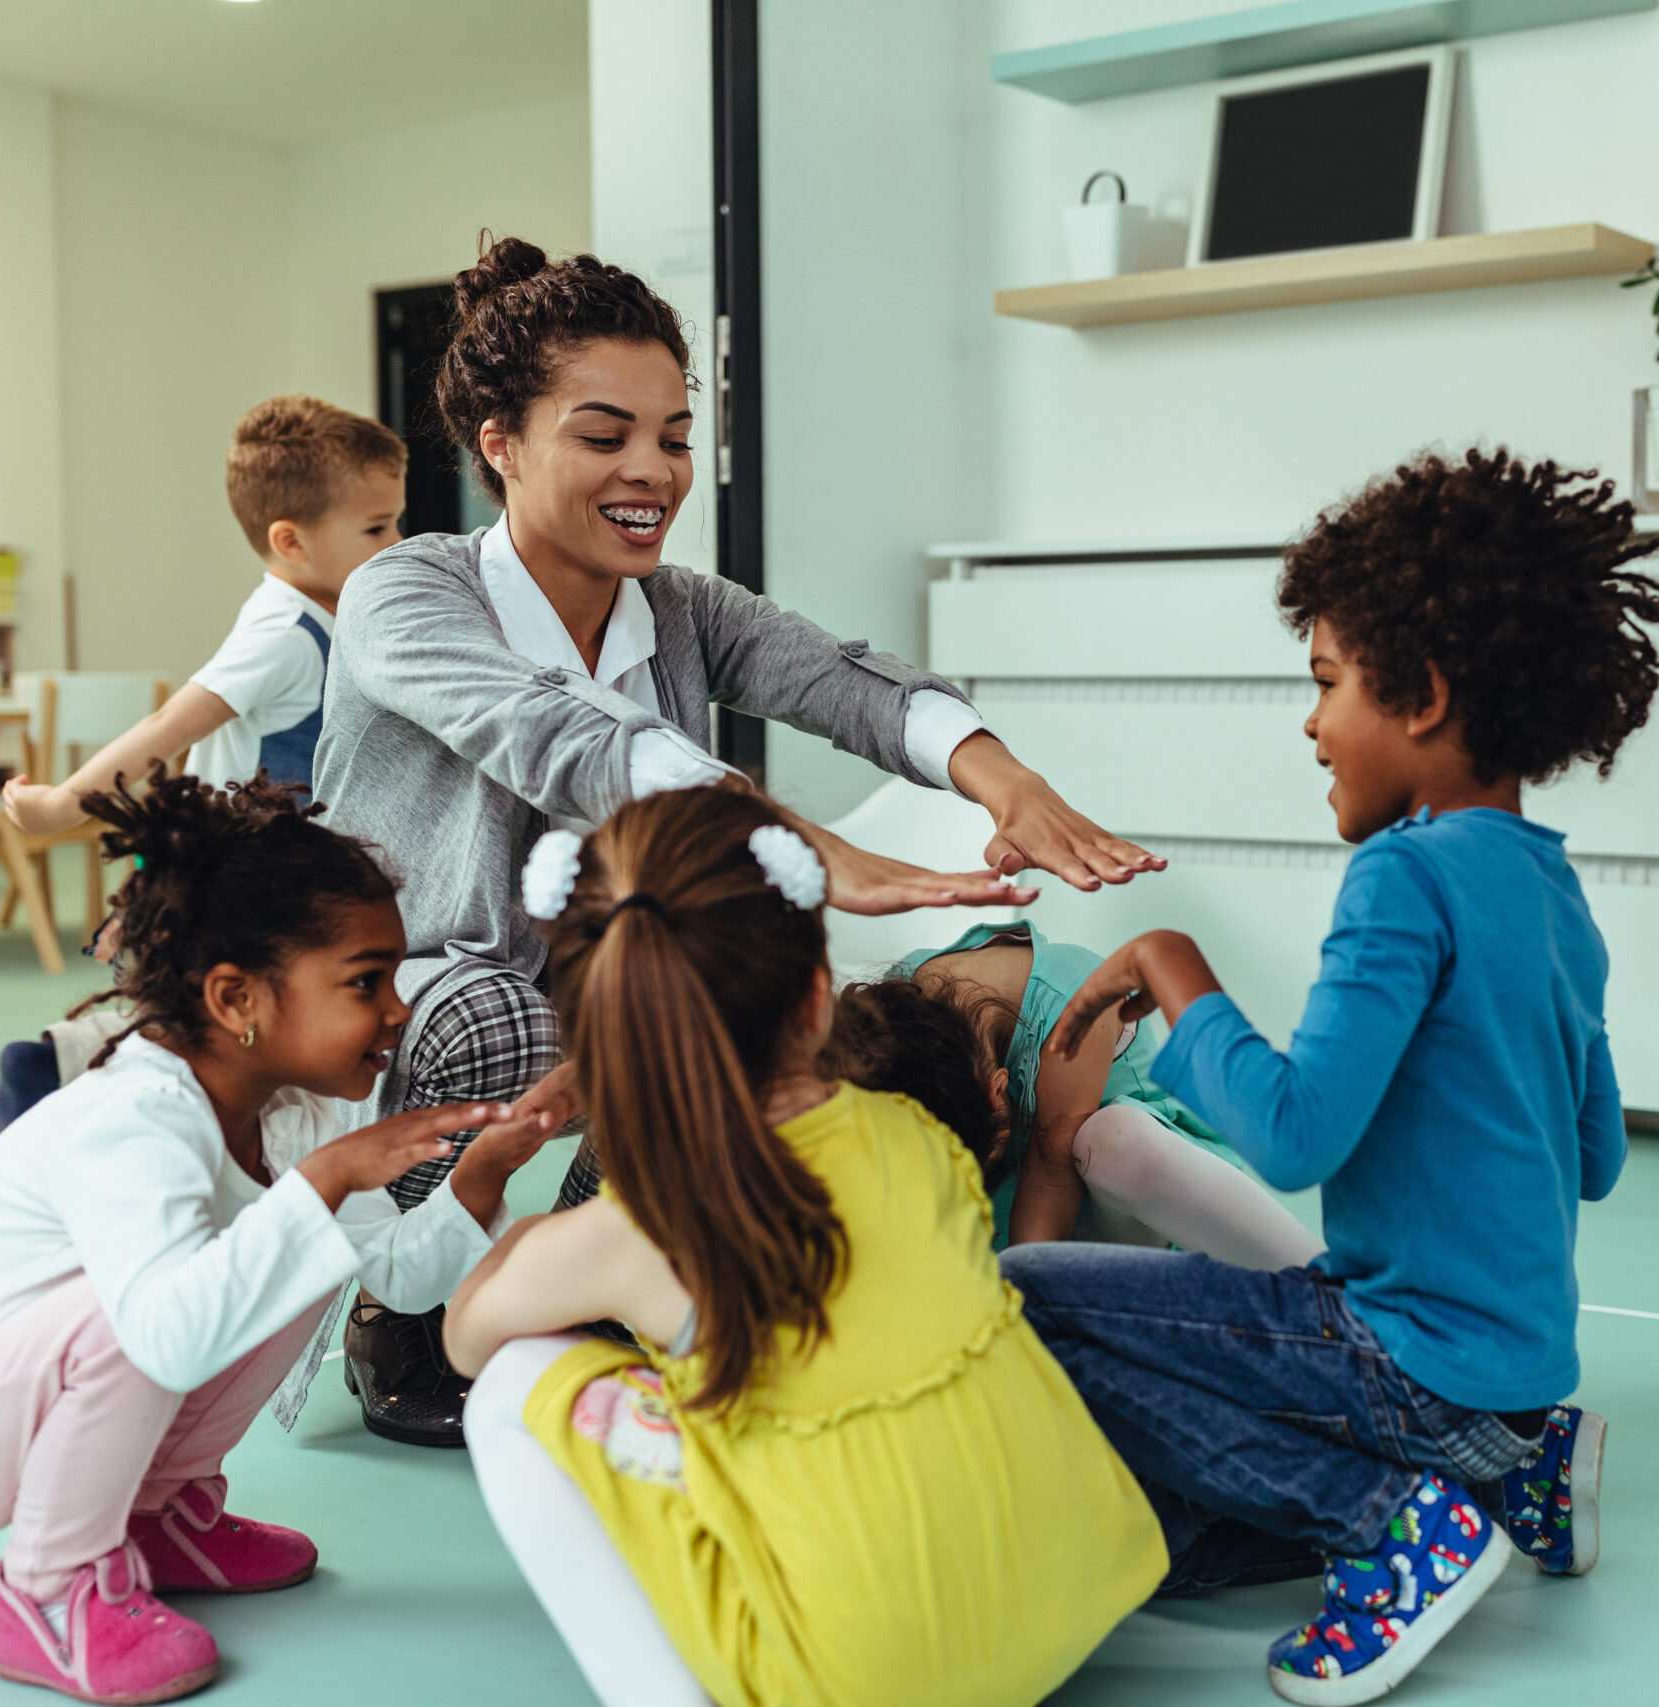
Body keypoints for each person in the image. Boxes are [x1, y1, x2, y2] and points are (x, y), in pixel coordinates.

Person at [315, 234, 1163, 1447]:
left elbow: (843, 679)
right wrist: (787, 838)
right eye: (603, 437)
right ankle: (396, 1315)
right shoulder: (407, 591)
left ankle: (604, 1286)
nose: (651, 471)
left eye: (672, 436)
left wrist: (1002, 779)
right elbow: (558, 734)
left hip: (584, 979)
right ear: (497, 444)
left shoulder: (682, 608)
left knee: (742, 1010)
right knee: (525, 1015)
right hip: (416, 989)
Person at [1001, 449, 1659, 1705]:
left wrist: (1171, 967)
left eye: (1325, 685)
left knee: (1026, 1293)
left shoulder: (1404, 878)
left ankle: (1387, 1523)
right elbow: (1595, 1159)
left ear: (1417, 695)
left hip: (1402, 1366)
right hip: (1519, 1384)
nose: (1311, 723)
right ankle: (1509, 1479)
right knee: (1169, 1551)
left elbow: (1294, 1135)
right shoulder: (1550, 888)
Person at [444, 786, 1166, 1706]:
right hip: (1070, 1594)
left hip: (874, 1674)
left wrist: (539, 1227)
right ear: (817, 994)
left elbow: (466, 1336)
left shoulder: (641, 1225)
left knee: (512, 1390)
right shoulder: (911, 1133)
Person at [0, 772, 571, 1706]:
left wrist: (487, 1165)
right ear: (238, 998)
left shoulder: (283, 1116)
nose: (399, 1008)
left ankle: (157, 1517)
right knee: (181, 1290)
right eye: (368, 981)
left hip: (10, 1415)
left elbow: (393, 1276)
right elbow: (159, 1337)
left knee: (299, 1246)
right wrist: (326, 1183)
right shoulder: (137, 1115)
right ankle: (45, 1588)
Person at [1, 396, 406, 832]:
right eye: (376, 528)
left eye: (396, 522)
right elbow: (169, 727)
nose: (397, 543)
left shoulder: (323, 618)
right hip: (255, 877)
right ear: (291, 543)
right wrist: (59, 807)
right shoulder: (285, 637)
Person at [820, 925, 1323, 1269]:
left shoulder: (1071, 1000)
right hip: (1004, 1215)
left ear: (1001, 1091)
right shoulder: (888, 1021)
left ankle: (1333, 1290)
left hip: (1135, 1207)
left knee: (1107, 1141)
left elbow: (1048, 1184)